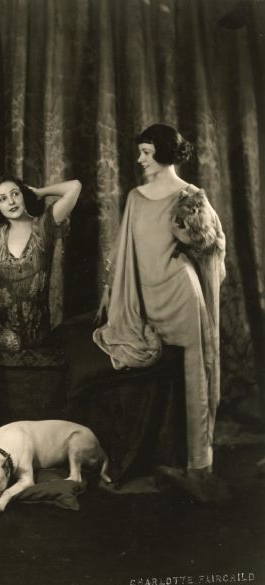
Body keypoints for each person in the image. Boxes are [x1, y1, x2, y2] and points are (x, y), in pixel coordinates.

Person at [93, 124, 227, 502]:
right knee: (150, 377)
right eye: (140, 152)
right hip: (145, 296)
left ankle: (197, 463)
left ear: (165, 154)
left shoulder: (191, 196)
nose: (139, 160)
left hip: (183, 295)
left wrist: (192, 236)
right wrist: (109, 288)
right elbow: (124, 249)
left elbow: (213, 245)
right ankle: (153, 456)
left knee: (193, 375)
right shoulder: (136, 197)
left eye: (146, 153)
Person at [0, 176, 82, 350]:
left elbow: (74, 186)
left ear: (24, 195)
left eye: (15, 194)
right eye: (3, 199)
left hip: (35, 334)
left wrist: (38, 192)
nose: (11, 202)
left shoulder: (45, 225)